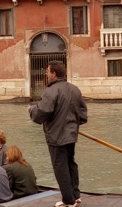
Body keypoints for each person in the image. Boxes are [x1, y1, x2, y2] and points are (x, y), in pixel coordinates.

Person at [29, 60, 88, 207]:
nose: (46, 74)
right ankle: (76, 195)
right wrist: (73, 125)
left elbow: (42, 112)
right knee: (70, 164)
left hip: (56, 136)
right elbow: (83, 115)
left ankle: (68, 200)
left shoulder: (50, 91)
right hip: (71, 135)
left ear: (54, 74)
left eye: (47, 71)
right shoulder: (75, 89)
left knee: (60, 167)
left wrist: (31, 110)